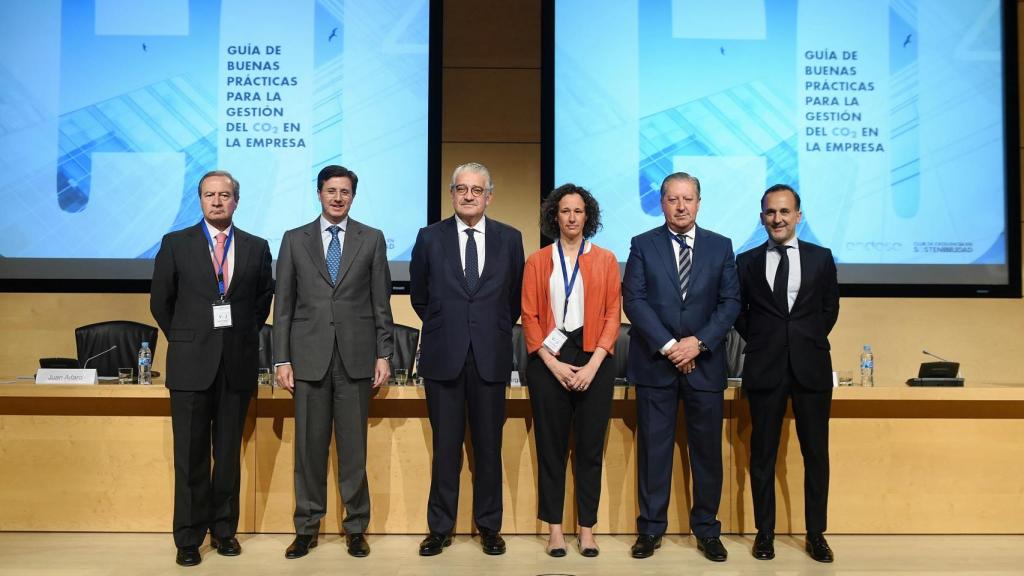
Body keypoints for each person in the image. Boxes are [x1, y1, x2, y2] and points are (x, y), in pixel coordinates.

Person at [150, 170, 274, 567]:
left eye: (224, 195)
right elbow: (161, 301)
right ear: (200, 199)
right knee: (190, 456)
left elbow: (261, 302)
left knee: (228, 455)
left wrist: (239, 337)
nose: (217, 201)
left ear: (236, 200)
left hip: (235, 364)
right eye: (209, 195)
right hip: (190, 365)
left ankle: (224, 531)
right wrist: (187, 337)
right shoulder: (176, 243)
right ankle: (188, 538)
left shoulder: (256, 247)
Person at [273, 165, 394, 559]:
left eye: (345, 192)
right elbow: (284, 306)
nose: (338, 197)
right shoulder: (294, 239)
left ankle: (356, 528)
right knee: (308, 450)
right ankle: (306, 528)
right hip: (307, 358)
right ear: (319, 193)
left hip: (356, 359)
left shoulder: (371, 239)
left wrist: (384, 353)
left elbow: (381, 303)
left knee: (353, 450)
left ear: (352, 196)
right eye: (331, 191)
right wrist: (281, 358)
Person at [622, 172, 740, 562]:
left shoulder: (721, 246)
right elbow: (634, 300)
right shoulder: (643, 244)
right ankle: (650, 529)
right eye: (673, 199)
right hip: (656, 365)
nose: (681, 206)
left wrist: (698, 344)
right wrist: (672, 347)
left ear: (699, 203)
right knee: (654, 452)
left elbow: (730, 303)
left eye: (688, 199)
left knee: (706, 453)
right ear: (662, 203)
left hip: (704, 365)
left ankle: (707, 530)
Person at [410, 162, 525, 556]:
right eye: (462, 189)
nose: (469, 195)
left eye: (477, 190)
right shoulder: (429, 237)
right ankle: (440, 528)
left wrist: (487, 328)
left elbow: (514, 299)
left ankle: (489, 527)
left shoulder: (510, 238)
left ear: (489, 196)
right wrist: (449, 326)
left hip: (490, 357)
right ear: (452, 194)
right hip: (444, 356)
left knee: (488, 448)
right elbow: (420, 297)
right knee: (445, 448)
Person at [734, 184, 839, 563]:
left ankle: (816, 535)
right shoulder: (745, 261)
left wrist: (802, 340)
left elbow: (829, 310)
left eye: (784, 211)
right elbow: (740, 314)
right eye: (770, 212)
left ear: (798, 216)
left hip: (811, 368)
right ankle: (765, 534)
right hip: (765, 368)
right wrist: (768, 342)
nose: (777, 219)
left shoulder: (821, 258)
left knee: (816, 455)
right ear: (762, 217)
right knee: (762, 455)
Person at [520, 184, 621, 558]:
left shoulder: (606, 259)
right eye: (565, 211)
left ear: (587, 216)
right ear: (555, 216)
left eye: (578, 211)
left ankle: (587, 530)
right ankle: (555, 531)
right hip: (549, 360)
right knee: (552, 449)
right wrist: (552, 364)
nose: (572, 217)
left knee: (590, 449)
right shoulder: (538, 260)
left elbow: (613, 315)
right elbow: (529, 315)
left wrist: (593, 365)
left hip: (595, 359)